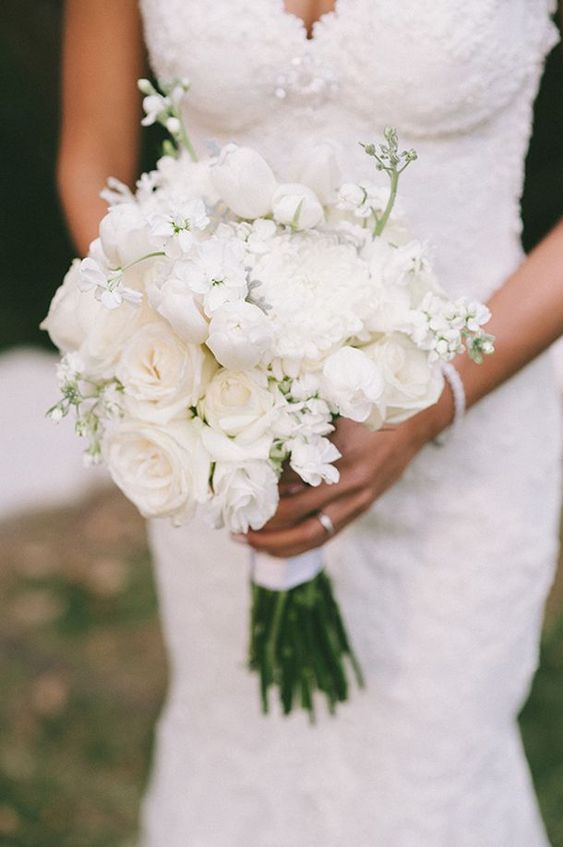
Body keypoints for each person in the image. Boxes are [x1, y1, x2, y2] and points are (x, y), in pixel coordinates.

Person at [58, 1, 563, 844]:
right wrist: (171, 358)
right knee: (236, 743)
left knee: (426, 771)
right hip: (220, 432)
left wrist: (435, 395)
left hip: (472, 427)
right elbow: (91, 162)